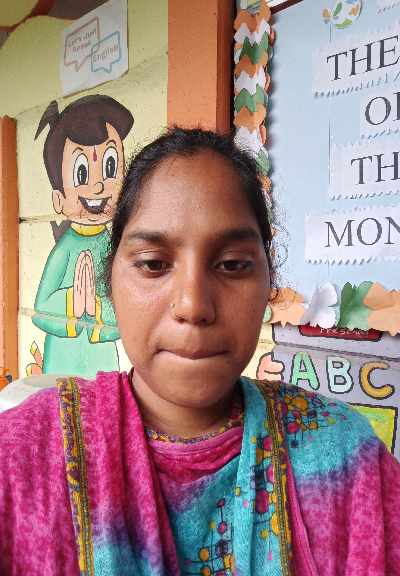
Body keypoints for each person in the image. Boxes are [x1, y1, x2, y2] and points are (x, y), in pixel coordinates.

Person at [0, 127, 399, 576]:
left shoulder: (348, 460)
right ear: (110, 282)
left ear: (268, 281)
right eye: (154, 264)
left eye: (232, 264)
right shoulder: (19, 459)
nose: (193, 305)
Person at [32, 95, 134, 376]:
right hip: (61, 364)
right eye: (82, 172)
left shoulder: (115, 249)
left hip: (102, 365)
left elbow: (127, 312)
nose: (98, 185)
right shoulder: (64, 250)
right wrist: (72, 304)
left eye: (110, 167)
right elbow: (40, 311)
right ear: (58, 199)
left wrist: (98, 307)